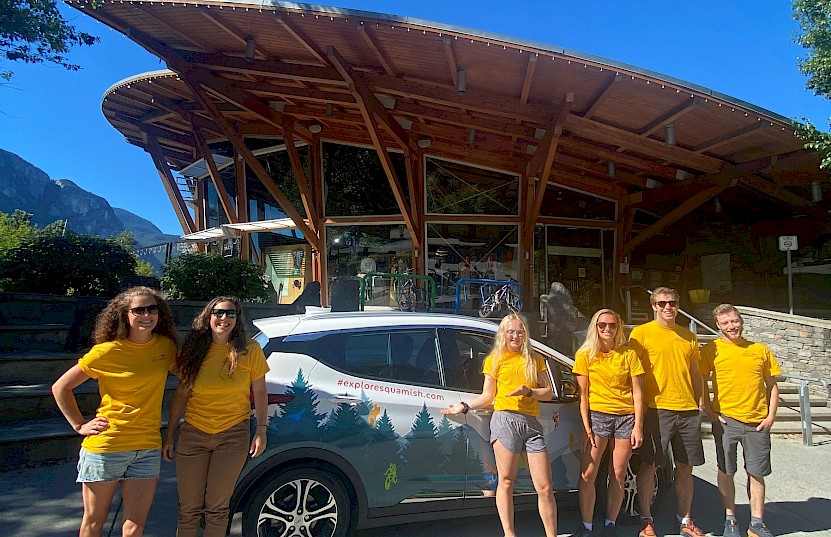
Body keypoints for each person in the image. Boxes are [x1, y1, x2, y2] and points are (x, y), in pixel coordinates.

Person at [51, 286, 179, 537]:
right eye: (138, 310)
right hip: (107, 446)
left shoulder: (165, 347)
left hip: (147, 447)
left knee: (134, 528)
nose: (146, 315)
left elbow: (191, 380)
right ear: (125, 315)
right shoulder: (106, 351)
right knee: (94, 522)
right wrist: (79, 425)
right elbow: (61, 388)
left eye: (152, 308)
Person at [442, 314, 558, 537]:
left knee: (544, 486)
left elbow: (548, 393)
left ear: (526, 335)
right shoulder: (495, 360)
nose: (515, 336)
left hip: (531, 424)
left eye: (520, 332)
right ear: (503, 334)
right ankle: (509, 533)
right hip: (505, 420)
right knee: (506, 481)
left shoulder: (534, 360)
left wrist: (529, 391)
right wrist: (465, 406)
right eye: (511, 331)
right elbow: (488, 395)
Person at [163, 296, 269, 537]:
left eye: (230, 314)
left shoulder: (249, 349)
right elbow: (181, 394)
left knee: (217, 508)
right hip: (193, 434)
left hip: (233, 435)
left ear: (237, 319)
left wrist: (261, 429)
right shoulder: (193, 349)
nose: (224, 318)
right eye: (219, 313)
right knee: (188, 509)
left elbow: (260, 390)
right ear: (208, 316)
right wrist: (169, 435)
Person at [627, 287, 705, 537]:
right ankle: (646, 520)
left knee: (685, 468)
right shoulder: (641, 334)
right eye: (662, 304)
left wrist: (701, 402)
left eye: (672, 302)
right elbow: (630, 372)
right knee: (649, 466)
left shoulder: (688, 336)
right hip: (656, 409)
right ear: (653, 306)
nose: (667, 307)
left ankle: (685, 520)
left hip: (688, 411)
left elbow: (695, 373)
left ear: (678, 304)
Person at [700, 304, 781, 537]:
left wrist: (771, 416)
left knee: (757, 472)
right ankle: (730, 519)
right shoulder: (711, 350)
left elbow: (772, 385)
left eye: (734, 321)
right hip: (726, 421)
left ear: (741, 321)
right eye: (725, 323)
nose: (731, 326)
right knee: (726, 470)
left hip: (757, 422)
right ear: (718, 325)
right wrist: (708, 411)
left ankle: (757, 523)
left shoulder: (760, 350)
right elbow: (701, 379)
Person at [572, 309, 645, 537]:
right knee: (587, 474)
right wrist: (586, 427)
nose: (607, 329)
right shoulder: (585, 355)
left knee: (618, 473)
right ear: (595, 327)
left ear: (618, 327)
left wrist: (638, 426)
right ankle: (586, 526)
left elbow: (638, 393)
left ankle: (610, 524)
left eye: (612, 325)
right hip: (597, 417)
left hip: (625, 417)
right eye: (602, 325)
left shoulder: (628, 354)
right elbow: (582, 395)